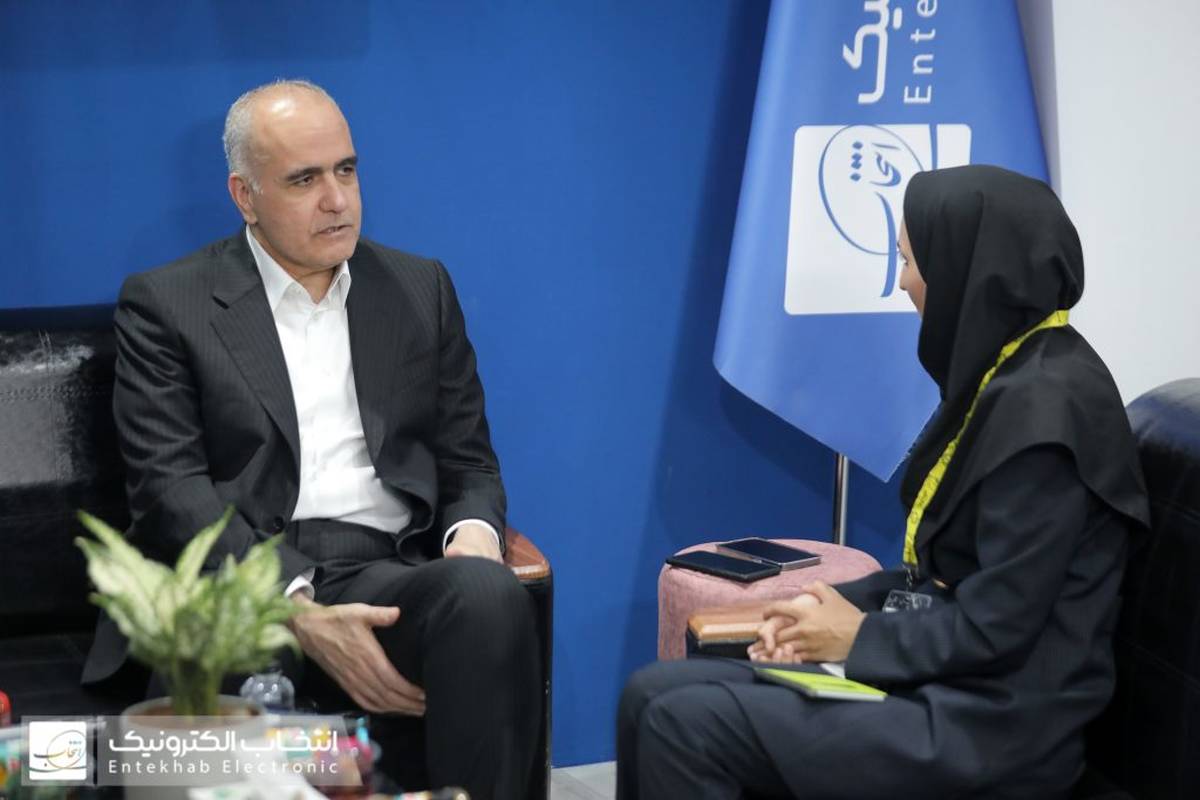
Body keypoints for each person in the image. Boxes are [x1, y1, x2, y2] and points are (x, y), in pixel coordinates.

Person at [617, 165, 1151, 799]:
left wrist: (857, 636)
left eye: (909, 262)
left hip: (990, 731)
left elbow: (997, 626)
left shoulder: (1047, 418)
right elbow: (944, 577)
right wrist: (827, 605)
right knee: (648, 694)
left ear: (966, 272)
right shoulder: (1012, 376)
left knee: (681, 726)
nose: (901, 283)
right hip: (944, 683)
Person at [81, 79, 540, 799]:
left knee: (485, 595)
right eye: (304, 180)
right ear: (246, 195)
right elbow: (171, 494)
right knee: (230, 658)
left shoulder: (418, 288)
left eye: (346, 170)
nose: (337, 199)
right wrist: (295, 605)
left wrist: (475, 540)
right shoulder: (168, 304)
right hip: (242, 582)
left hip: (385, 570)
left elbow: (468, 461)